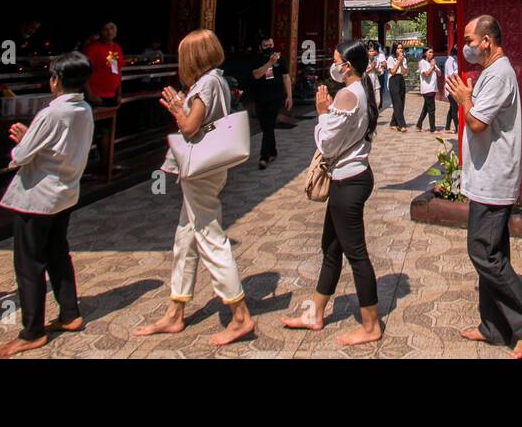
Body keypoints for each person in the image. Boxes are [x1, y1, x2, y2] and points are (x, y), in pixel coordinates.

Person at [135, 30, 255, 346]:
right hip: (206, 169)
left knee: (209, 236)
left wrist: (176, 107)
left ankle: (240, 314)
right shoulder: (215, 79)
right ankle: (175, 310)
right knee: (185, 237)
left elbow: (190, 126)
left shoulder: (205, 83)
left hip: (201, 171)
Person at [445, 15, 522, 358]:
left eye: (470, 40)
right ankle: (494, 326)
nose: (466, 46)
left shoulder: (500, 73)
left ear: (487, 40)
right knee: (493, 251)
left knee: (482, 252)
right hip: (484, 176)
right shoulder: (490, 73)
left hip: (494, 178)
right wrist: (469, 96)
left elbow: (476, 123)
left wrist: (463, 99)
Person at [0, 52, 95, 358]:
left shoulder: (52, 113)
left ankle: (32, 330)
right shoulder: (84, 109)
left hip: (38, 195)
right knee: (57, 252)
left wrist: (24, 141)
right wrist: (31, 141)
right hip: (64, 192)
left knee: (29, 263)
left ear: (56, 80)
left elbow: (21, 156)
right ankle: (69, 312)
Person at [281, 39, 382, 346]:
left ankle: (370, 325)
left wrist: (323, 113)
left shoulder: (348, 96)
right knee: (331, 247)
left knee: (356, 254)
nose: (333, 65)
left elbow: (326, 145)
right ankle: (316, 311)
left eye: (336, 60)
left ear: (347, 66)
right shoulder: (363, 89)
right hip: (353, 177)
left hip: (348, 182)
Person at [250, 33, 292, 170]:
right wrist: (269, 63)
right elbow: (256, 75)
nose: (268, 47)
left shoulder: (281, 59)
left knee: (268, 125)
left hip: (276, 97)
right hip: (260, 97)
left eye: (270, 45)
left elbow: (286, 77)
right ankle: (273, 150)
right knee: (266, 126)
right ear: (261, 47)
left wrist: (289, 96)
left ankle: (264, 157)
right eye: (265, 45)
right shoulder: (257, 59)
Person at [83, 21, 124, 107]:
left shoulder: (116, 47)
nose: (109, 32)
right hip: (96, 96)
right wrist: (90, 95)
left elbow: (117, 71)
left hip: (113, 95)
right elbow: (84, 72)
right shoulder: (92, 48)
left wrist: (119, 94)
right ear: (100, 31)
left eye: (112, 28)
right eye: (105, 29)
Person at [415, 47, 439, 131]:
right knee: (431, 109)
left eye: (432, 52)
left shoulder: (432, 63)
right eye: (430, 52)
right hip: (427, 89)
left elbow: (439, 73)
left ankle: (419, 124)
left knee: (426, 108)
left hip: (433, 88)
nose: (432, 54)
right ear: (425, 53)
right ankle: (433, 129)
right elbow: (426, 74)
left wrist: (434, 67)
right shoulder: (422, 63)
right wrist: (432, 67)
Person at [387, 43, 407, 130]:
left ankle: (393, 122)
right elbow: (392, 71)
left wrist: (401, 63)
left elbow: (404, 72)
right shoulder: (391, 59)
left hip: (401, 79)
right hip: (393, 80)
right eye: (398, 48)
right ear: (395, 49)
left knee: (401, 102)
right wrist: (398, 61)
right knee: (397, 102)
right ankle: (401, 124)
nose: (400, 50)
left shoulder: (404, 59)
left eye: (401, 48)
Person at [443, 45, 460, 132]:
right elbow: (450, 74)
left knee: (452, 107)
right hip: (450, 87)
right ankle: (457, 127)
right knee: (454, 108)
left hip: (453, 86)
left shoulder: (454, 60)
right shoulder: (450, 61)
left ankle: (447, 127)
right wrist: (459, 70)